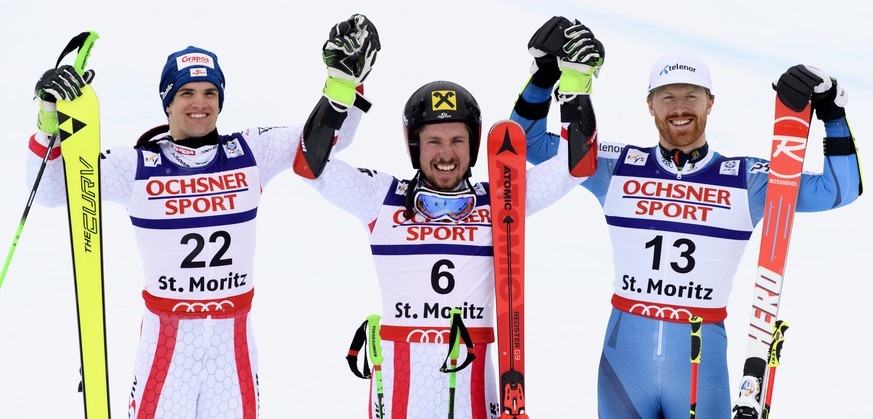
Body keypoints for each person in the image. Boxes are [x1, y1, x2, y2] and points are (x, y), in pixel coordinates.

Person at [26, 15, 378, 418]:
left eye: (210, 92)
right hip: (167, 346)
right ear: (168, 101)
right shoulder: (139, 165)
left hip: (233, 346)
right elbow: (53, 190)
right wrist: (48, 119)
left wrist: (343, 84)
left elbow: (322, 145)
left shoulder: (250, 152)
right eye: (187, 92)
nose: (200, 103)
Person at [512, 16, 863, 419]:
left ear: (710, 103)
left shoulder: (748, 180)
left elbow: (840, 189)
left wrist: (832, 110)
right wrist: (545, 75)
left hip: (700, 363)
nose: (679, 108)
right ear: (649, 105)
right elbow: (523, 144)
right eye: (667, 97)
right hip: (624, 364)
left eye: (691, 96)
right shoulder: (615, 166)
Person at [293, 19, 603, 419]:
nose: (446, 153)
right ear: (414, 145)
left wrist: (567, 83)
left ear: (473, 146)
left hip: (478, 394)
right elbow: (311, 166)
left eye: (458, 140)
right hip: (399, 393)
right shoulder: (381, 199)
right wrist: (343, 87)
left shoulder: (501, 201)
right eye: (434, 140)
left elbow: (576, 166)